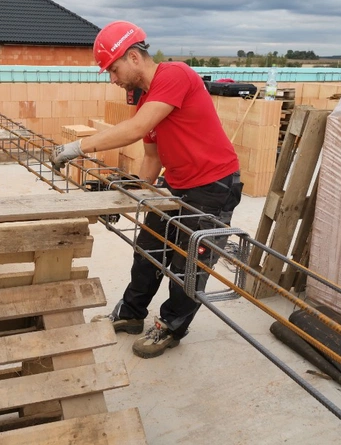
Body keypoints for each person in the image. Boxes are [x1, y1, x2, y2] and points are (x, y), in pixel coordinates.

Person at [50, 20, 243, 359]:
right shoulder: (149, 102)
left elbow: (136, 130)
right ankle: (131, 314)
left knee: (189, 266)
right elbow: (152, 158)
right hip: (176, 185)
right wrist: (136, 195)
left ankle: (171, 327)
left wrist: (78, 147)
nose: (112, 78)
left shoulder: (175, 75)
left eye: (113, 68)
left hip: (213, 185)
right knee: (148, 250)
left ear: (134, 57)